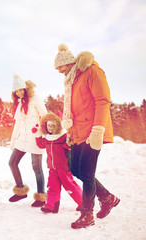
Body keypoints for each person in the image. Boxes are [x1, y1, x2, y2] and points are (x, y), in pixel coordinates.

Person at [54, 44, 120, 229]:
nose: (59, 71)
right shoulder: (72, 81)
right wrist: (70, 132)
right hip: (77, 132)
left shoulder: (92, 72)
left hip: (92, 131)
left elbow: (103, 101)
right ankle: (107, 197)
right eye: (57, 68)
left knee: (88, 173)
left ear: (69, 62)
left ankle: (87, 214)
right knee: (75, 169)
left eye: (61, 67)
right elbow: (74, 110)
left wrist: (98, 130)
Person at [8, 74, 47, 207]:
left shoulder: (35, 98)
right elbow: (18, 124)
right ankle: (20, 191)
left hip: (35, 138)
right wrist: (13, 140)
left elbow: (45, 116)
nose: (19, 93)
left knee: (37, 167)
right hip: (22, 139)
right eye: (16, 91)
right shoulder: (19, 103)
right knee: (12, 162)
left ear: (25, 88)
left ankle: (41, 197)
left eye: (21, 90)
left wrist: (40, 132)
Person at [32, 112, 82, 214]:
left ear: (57, 126)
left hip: (63, 167)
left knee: (70, 186)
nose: (50, 128)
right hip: (52, 168)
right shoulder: (46, 137)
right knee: (52, 187)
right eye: (48, 125)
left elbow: (69, 146)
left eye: (52, 125)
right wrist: (37, 135)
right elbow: (41, 145)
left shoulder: (62, 136)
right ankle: (51, 206)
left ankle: (83, 203)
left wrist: (69, 142)